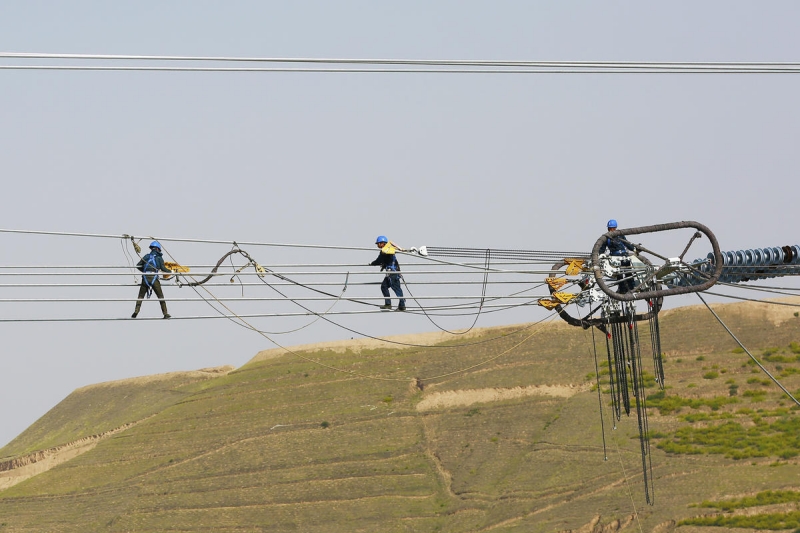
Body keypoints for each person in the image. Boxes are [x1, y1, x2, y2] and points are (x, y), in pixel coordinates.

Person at [131, 241, 173, 319]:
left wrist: (144, 270)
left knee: (140, 296)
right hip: (154, 278)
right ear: (158, 249)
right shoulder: (159, 258)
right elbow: (163, 269)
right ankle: (165, 313)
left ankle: (136, 311)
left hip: (145, 278)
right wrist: (171, 272)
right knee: (161, 297)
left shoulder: (146, 256)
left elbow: (138, 266)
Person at [369, 235, 407, 311]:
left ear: (382, 243)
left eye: (378, 243)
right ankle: (393, 304)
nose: (377, 245)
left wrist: (372, 263)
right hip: (393, 272)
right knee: (386, 287)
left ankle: (398, 305)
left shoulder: (385, 251)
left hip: (392, 273)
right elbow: (389, 261)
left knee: (395, 288)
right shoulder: (389, 250)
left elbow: (379, 260)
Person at [599, 219, 637, 294]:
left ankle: (629, 288)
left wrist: (634, 249)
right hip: (619, 258)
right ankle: (627, 288)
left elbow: (627, 244)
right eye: (609, 228)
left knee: (626, 273)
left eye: (611, 228)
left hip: (619, 258)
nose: (610, 230)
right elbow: (627, 244)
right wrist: (634, 249)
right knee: (623, 273)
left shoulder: (610, 237)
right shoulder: (609, 237)